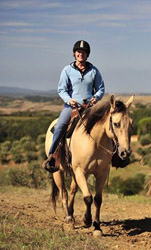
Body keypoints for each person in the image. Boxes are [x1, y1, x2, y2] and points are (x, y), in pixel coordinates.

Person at [43, 40, 105, 173]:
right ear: (74, 54)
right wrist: (69, 100)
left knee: (106, 126)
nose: (81, 54)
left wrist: (96, 98)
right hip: (72, 107)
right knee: (60, 126)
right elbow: (61, 90)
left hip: (89, 107)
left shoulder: (94, 71)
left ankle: (113, 157)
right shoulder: (67, 70)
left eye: (83, 52)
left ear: (87, 55)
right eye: (78, 52)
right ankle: (52, 156)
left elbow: (100, 88)